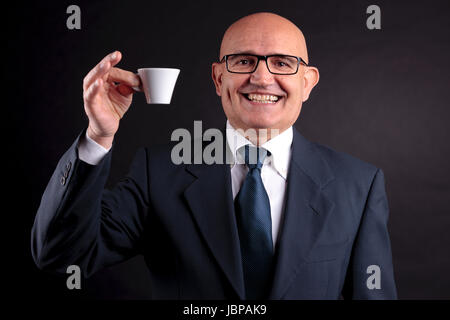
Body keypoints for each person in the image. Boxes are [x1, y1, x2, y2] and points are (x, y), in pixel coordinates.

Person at [31, 12, 397, 299]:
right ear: (218, 78)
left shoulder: (358, 185)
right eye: (243, 61)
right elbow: (60, 255)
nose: (262, 77)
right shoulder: (158, 172)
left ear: (308, 82)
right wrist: (98, 135)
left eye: (283, 63)